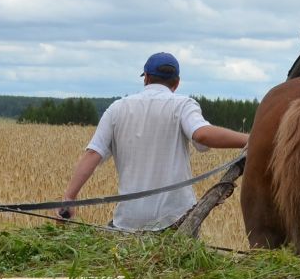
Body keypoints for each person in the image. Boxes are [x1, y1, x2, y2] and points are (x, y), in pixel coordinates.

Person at [58, 52, 250, 232]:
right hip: (177, 221)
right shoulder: (182, 105)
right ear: (176, 83)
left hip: (129, 221)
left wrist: (69, 199)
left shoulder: (117, 108)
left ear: (146, 78)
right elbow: (201, 135)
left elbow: (93, 153)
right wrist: (250, 139)